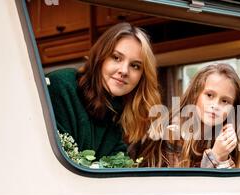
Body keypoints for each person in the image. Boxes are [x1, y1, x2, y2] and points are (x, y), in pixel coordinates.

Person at [46, 23, 162, 165]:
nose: (124, 71)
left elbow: (119, 169)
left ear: (141, 77)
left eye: (135, 66)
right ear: (100, 57)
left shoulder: (117, 111)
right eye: (116, 57)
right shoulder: (62, 86)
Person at [156, 63, 240, 168]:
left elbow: (230, 183)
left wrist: (223, 158)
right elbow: (182, 182)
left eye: (225, 101)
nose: (215, 106)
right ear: (195, 94)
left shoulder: (232, 141)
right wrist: (216, 156)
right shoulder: (172, 133)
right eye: (209, 95)